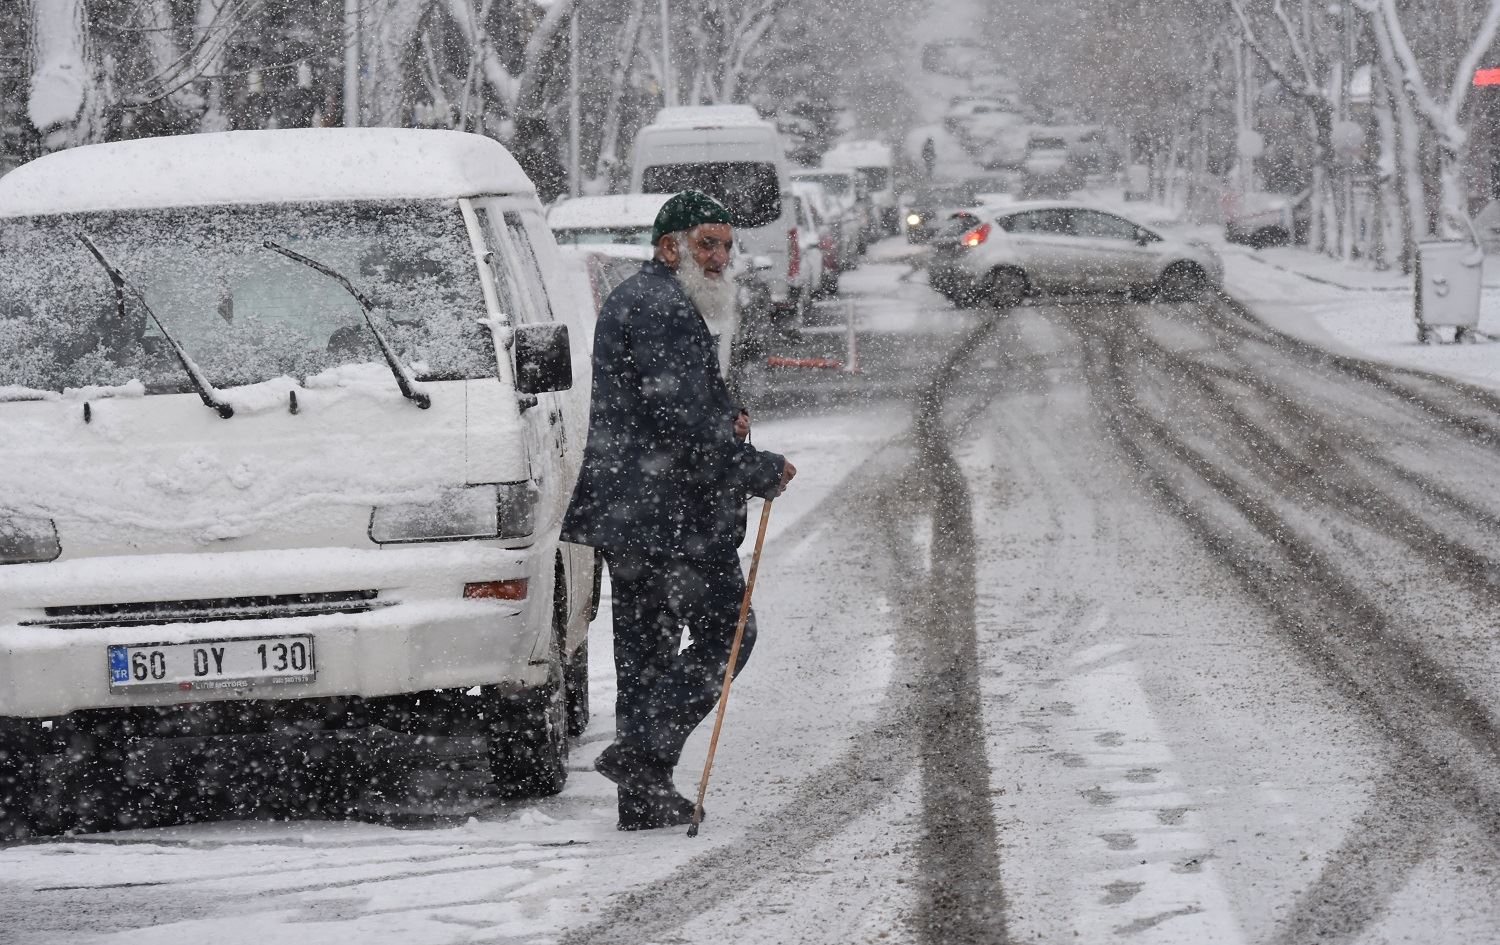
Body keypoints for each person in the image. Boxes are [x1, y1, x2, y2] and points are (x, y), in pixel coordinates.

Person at [561, 191, 797, 831]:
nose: (720, 258)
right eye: (706, 244)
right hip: (668, 518)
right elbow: (680, 423)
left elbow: (673, 408)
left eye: (726, 246)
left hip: (640, 515)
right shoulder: (660, 307)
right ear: (670, 248)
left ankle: (642, 796)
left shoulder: (647, 299)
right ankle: (640, 755)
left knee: (648, 657)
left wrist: (726, 418)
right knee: (729, 635)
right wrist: (757, 468)